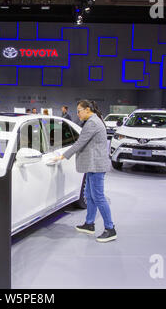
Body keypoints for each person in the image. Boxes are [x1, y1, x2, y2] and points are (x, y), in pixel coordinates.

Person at [52, 100, 116, 243]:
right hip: (92, 166)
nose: (78, 114)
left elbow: (80, 143)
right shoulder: (94, 121)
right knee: (89, 195)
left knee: (98, 197)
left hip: (96, 166)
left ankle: (110, 229)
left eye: (79, 110)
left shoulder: (92, 123)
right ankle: (89, 224)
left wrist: (62, 156)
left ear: (87, 109)